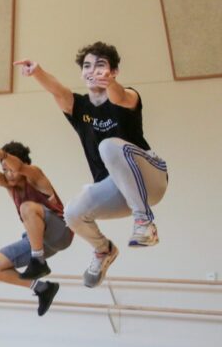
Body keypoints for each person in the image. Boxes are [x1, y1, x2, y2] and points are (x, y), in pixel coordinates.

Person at [15, 41, 168, 288]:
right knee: (72, 214)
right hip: (120, 191)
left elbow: (121, 98)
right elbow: (58, 91)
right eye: (87, 66)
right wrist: (37, 72)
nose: (92, 70)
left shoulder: (127, 95)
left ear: (114, 71)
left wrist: (111, 84)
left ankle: (145, 223)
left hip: (151, 178)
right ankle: (103, 250)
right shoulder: (80, 108)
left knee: (108, 146)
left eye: (100, 65)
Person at [0, 142, 72, 316]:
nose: (8, 174)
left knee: (27, 208)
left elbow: (20, 166)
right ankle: (43, 288)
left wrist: (3, 155)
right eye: (5, 170)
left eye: (11, 169)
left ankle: (37, 261)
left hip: (61, 232)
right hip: (38, 241)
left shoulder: (35, 176)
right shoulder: (10, 186)